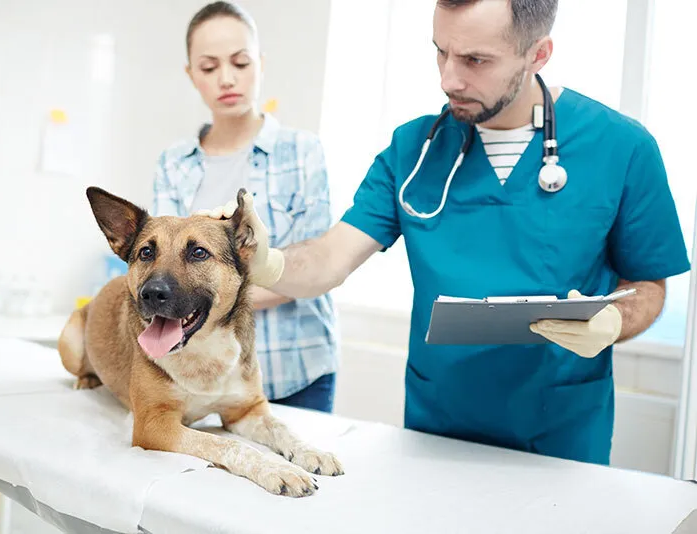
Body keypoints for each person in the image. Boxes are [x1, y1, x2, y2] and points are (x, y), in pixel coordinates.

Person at [199, 0, 691, 465]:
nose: (448, 78)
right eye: (441, 51)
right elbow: (330, 259)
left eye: (476, 59)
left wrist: (614, 322)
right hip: (436, 432)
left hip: (560, 435)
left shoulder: (622, 148)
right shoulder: (413, 148)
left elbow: (649, 287)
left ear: (538, 53)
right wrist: (268, 261)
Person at [152, 1, 339, 413]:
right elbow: (164, 273)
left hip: (294, 367)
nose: (227, 78)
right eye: (208, 67)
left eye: (240, 62)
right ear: (191, 75)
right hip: (197, 379)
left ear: (261, 63)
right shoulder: (172, 164)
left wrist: (199, 294)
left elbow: (315, 266)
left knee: (301, 473)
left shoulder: (301, 152)